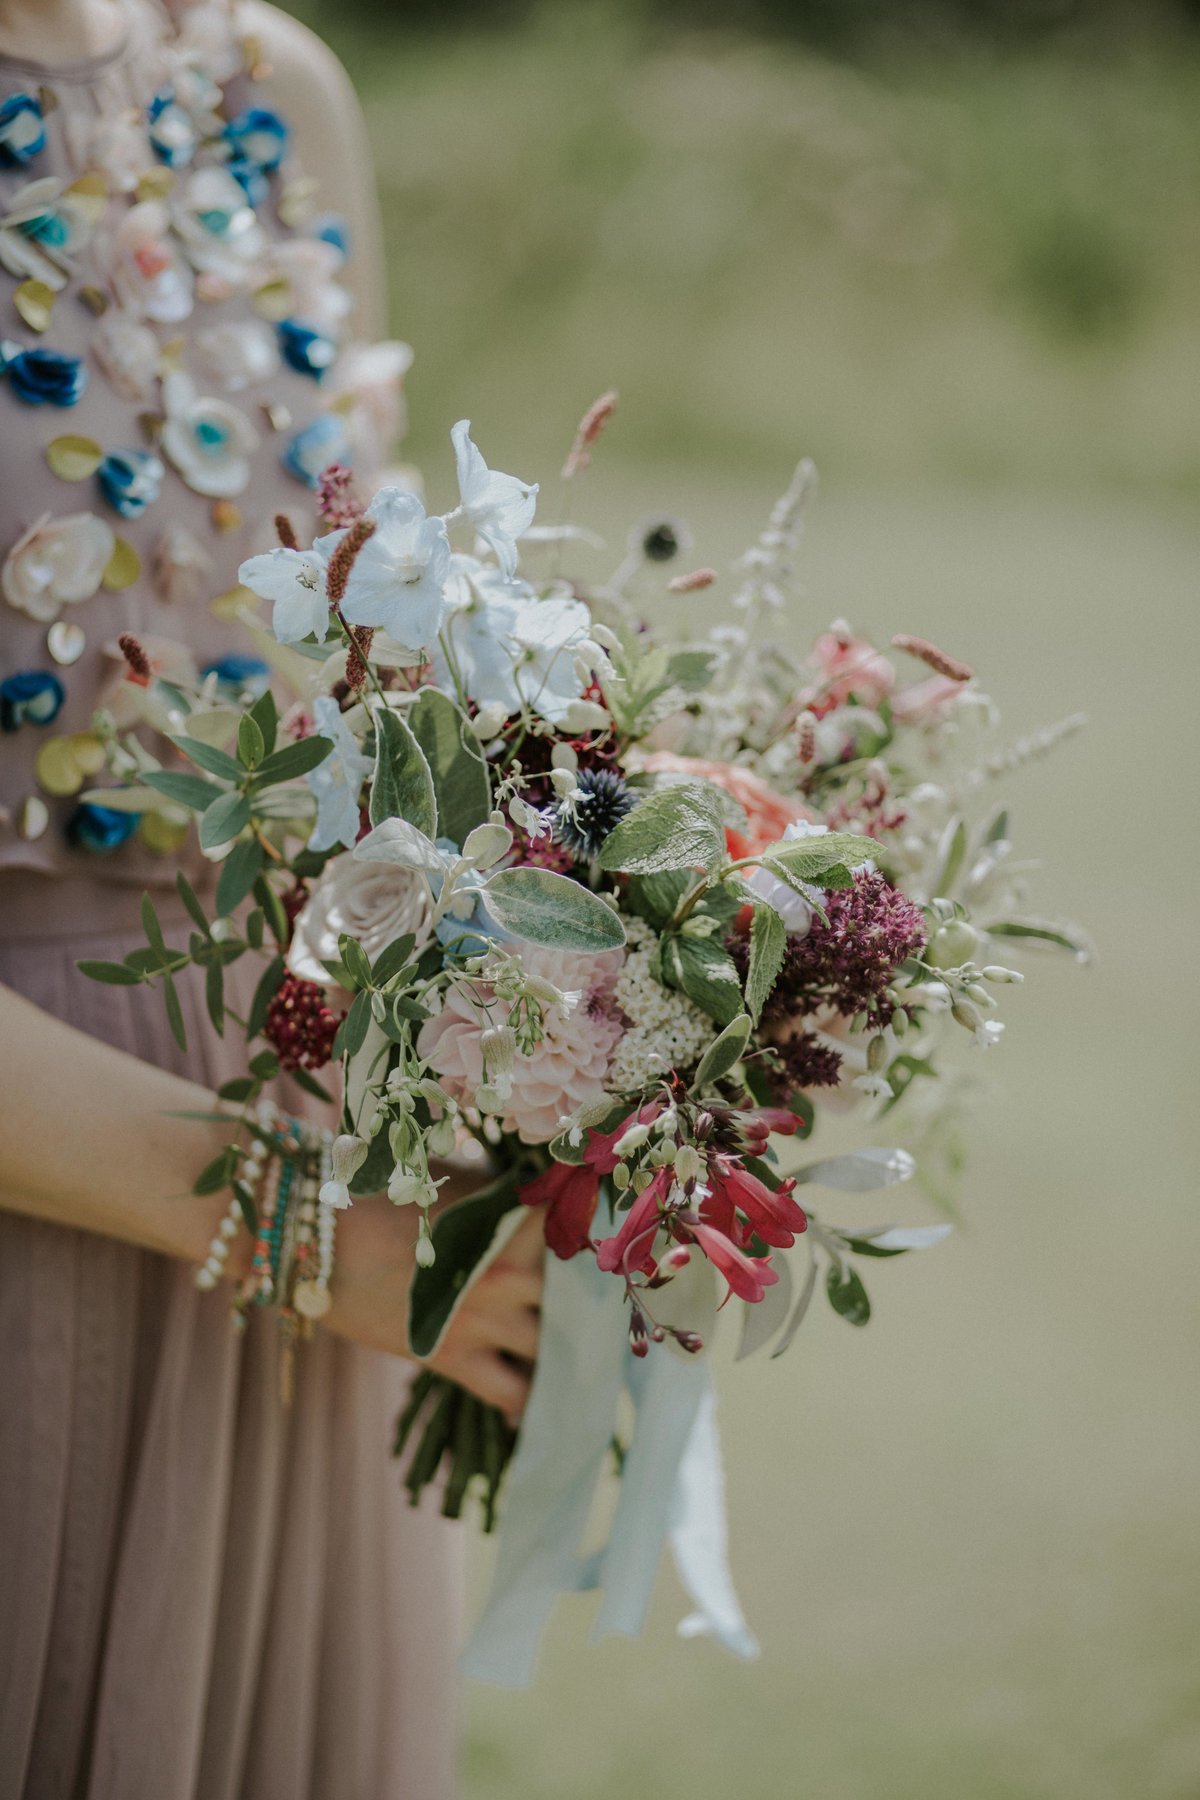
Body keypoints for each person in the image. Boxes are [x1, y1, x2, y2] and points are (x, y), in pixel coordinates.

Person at [0, 2, 544, 1793]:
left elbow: (384, 686)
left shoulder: (267, 88)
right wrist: (314, 1236)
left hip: (313, 1255)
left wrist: (555, 1055)